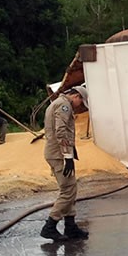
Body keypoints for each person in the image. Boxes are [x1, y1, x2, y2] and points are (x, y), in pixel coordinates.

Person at [40, 86, 90, 241]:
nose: (80, 105)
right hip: (59, 154)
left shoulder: (58, 102)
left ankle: (70, 226)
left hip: (57, 153)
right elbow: (61, 131)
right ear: (75, 96)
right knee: (67, 190)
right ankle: (50, 226)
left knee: (70, 188)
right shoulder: (64, 106)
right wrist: (67, 156)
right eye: (80, 101)